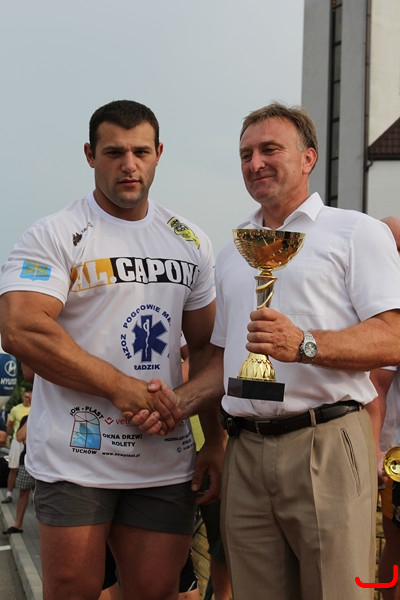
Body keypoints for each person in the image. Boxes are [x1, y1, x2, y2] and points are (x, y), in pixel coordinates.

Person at [140, 102, 400, 599]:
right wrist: (177, 403)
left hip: (325, 441)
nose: (255, 163)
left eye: (269, 150)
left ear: (308, 158)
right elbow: (224, 360)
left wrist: (305, 344)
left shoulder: (356, 232)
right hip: (246, 449)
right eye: (245, 154)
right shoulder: (232, 252)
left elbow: (393, 335)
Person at [0, 100, 224, 600]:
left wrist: (213, 438)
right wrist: (122, 389)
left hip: (162, 458)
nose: (129, 165)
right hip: (77, 455)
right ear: (89, 155)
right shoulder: (54, 233)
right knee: (72, 591)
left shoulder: (189, 240)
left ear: (159, 153)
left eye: (141, 152)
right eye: (114, 152)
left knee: (155, 592)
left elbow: (208, 347)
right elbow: (20, 329)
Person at [2, 412, 35, 534]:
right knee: (23, 492)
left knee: (44, 496)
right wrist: (32, 416)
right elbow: (20, 437)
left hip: (46, 463)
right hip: (28, 460)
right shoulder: (28, 418)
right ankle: (18, 524)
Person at [1, 388, 31, 503]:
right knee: (13, 468)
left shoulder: (36, 408)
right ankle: (9, 494)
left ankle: (33, 496)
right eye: (26, 396)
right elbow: (9, 425)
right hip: (17, 442)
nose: (27, 398)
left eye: (30, 397)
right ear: (23, 396)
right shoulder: (16, 409)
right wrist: (7, 438)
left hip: (31, 443)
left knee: (32, 470)